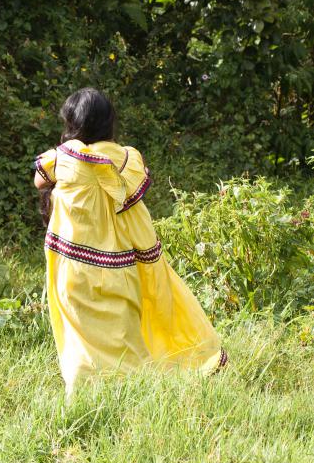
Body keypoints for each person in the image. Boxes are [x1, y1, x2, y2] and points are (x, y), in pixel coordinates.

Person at [34, 87, 228, 399]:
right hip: (120, 269)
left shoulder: (63, 159)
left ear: (73, 124)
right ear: (109, 122)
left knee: (80, 338)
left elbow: (40, 180)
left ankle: (83, 399)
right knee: (124, 337)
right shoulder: (128, 160)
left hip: (73, 271)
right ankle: (134, 395)